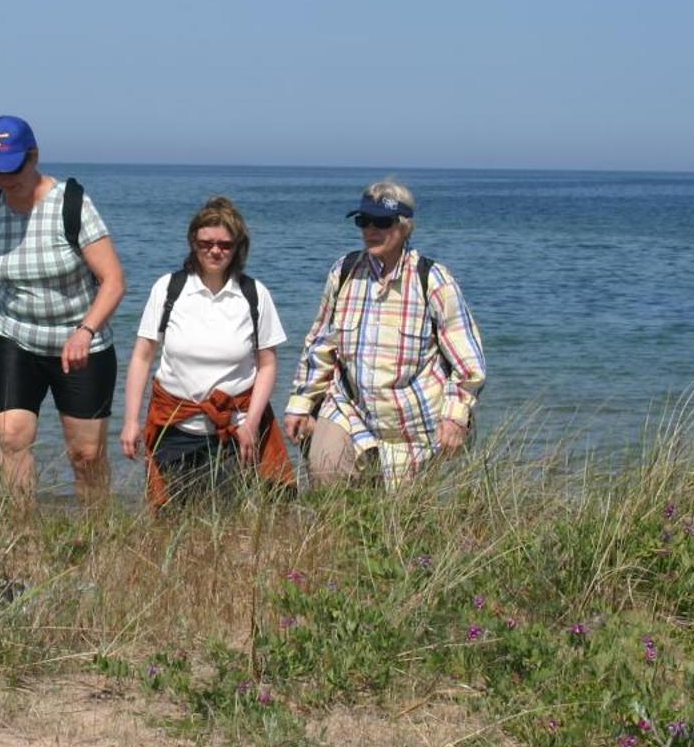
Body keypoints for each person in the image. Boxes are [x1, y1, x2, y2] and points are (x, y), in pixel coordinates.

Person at [0, 115, 127, 503]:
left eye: (14, 167)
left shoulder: (72, 204)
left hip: (80, 346)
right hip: (15, 340)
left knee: (86, 454)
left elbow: (113, 282)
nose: (7, 180)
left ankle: (97, 536)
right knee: (10, 438)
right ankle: (22, 537)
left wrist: (86, 329)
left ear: (34, 155)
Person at [283, 179, 486, 488]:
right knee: (324, 473)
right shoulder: (344, 272)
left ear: (404, 227)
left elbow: (468, 363)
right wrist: (301, 403)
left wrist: (455, 417)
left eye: (382, 222)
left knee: (402, 521)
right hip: (349, 409)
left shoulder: (433, 280)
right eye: (364, 221)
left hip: (415, 424)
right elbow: (321, 343)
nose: (370, 230)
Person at [119, 196, 293, 507]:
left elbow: (267, 364)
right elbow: (143, 356)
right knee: (172, 520)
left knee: (229, 518)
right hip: (174, 427)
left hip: (233, 430)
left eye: (225, 244)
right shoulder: (168, 289)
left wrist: (252, 424)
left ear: (238, 247)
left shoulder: (254, 295)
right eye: (206, 242)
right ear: (193, 242)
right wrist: (131, 420)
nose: (214, 251)